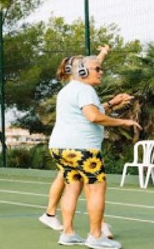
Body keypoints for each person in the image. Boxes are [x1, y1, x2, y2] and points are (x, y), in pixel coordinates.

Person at [39, 49, 135, 245]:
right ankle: (96, 236)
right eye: (97, 69)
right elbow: (93, 116)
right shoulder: (85, 90)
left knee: (72, 188)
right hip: (83, 149)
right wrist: (123, 122)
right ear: (82, 72)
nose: (101, 72)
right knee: (97, 189)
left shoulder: (67, 90)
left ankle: (68, 233)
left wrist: (112, 103)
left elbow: (90, 111)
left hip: (60, 148)